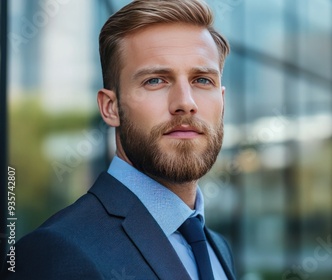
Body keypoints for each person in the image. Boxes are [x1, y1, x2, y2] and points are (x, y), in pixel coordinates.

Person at [2, 0, 234, 279]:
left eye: (202, 80)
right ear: (110, 107)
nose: (185, 103)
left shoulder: (217, 248)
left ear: (222, 100)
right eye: (155, 81)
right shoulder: (57, 251)